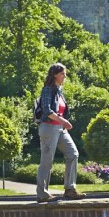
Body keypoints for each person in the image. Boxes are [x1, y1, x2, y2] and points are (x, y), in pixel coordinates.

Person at [35, 63, 87, 203]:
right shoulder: (48, 89)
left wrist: (62, 123)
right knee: (47, 161)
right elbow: (47, 110)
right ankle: (42, 194)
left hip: (59, 129)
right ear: (55, 75)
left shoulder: (59, 90)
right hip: (48, 127)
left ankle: (70, 189)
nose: (65, 76)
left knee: (73, 153)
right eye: (63, 73)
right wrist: (63, 121)